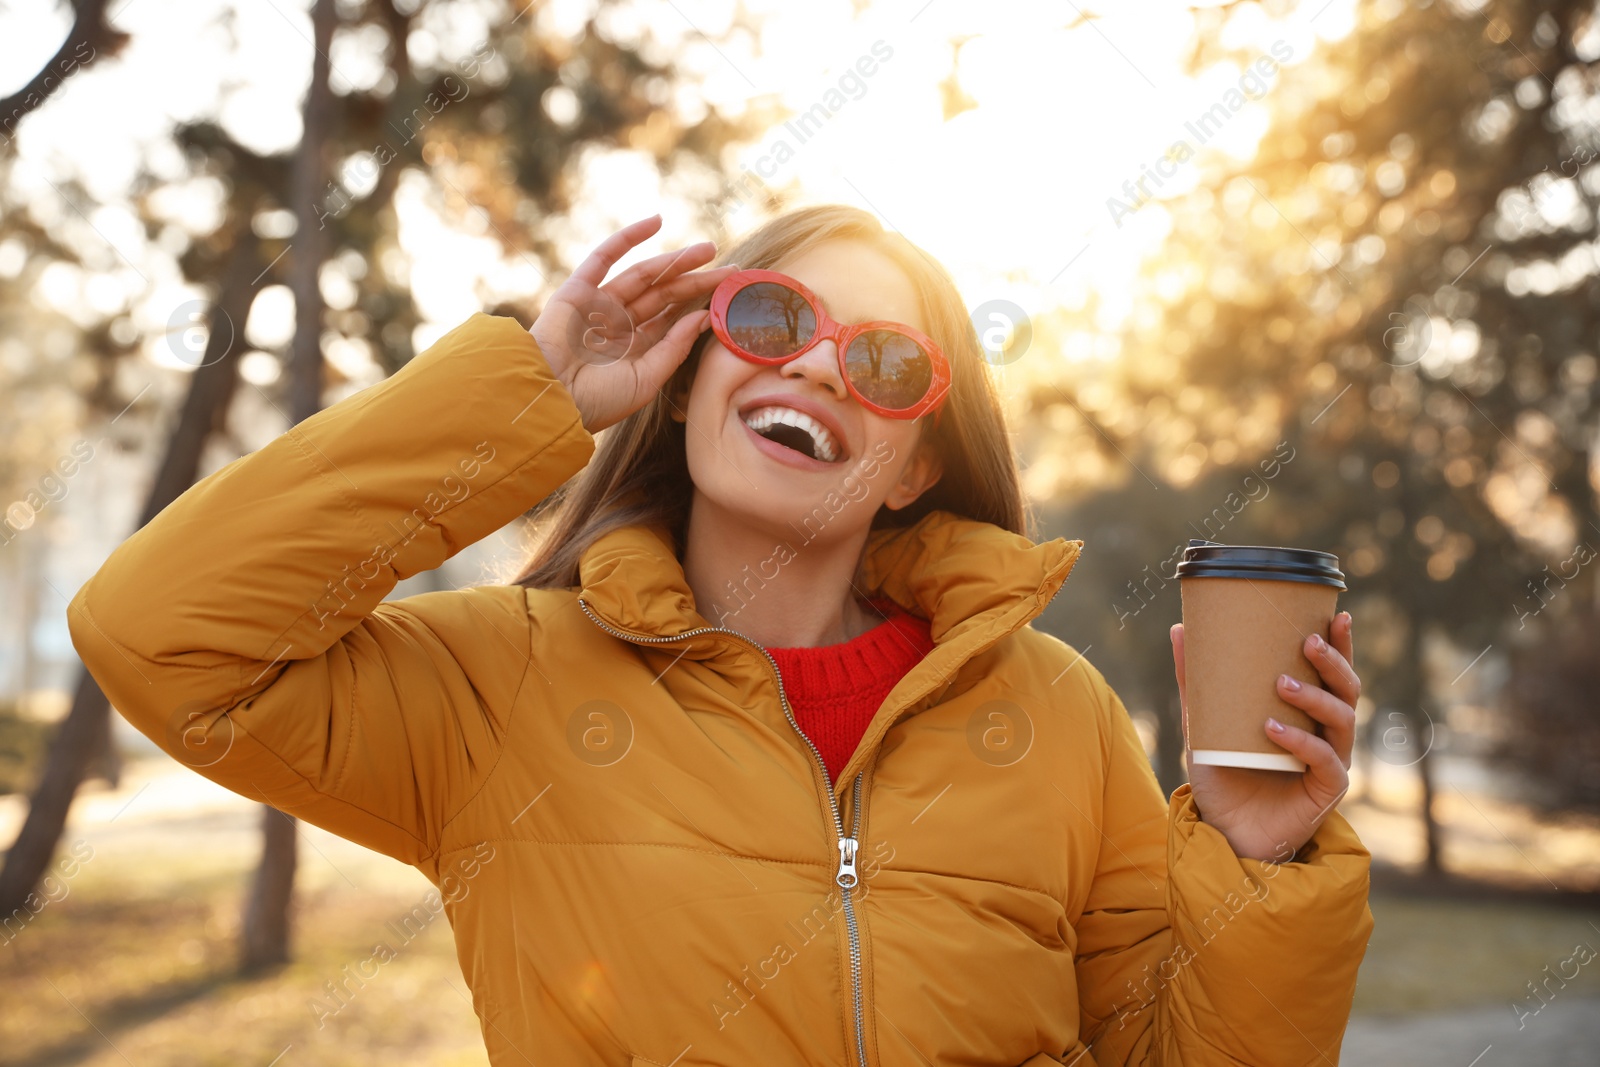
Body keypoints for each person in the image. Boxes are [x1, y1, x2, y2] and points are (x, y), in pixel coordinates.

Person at [69, 204, 1373, 1066]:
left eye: (884, 364)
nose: (814, 368)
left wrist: (1258, 869)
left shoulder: (1058, 712)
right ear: (696, 370)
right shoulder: (497, 687)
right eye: (772, 320)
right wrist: (521, 397)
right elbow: (158, 634)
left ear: (919, 465)